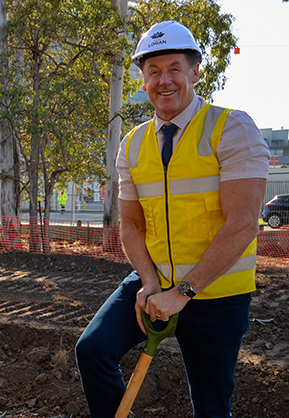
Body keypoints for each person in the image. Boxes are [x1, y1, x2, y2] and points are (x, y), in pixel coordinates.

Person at [75, 21, 269, 418]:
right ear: (143, 79)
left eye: (174, 68)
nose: (164, 81)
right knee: (92, 350)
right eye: (154, 71)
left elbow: (244, 223)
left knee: (212, 405)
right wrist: (148, 283)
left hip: (216, 293)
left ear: (195, 72)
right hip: (155, 282)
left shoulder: (232, 128)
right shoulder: (132, 144)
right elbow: (131, 226)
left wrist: (182, 293)